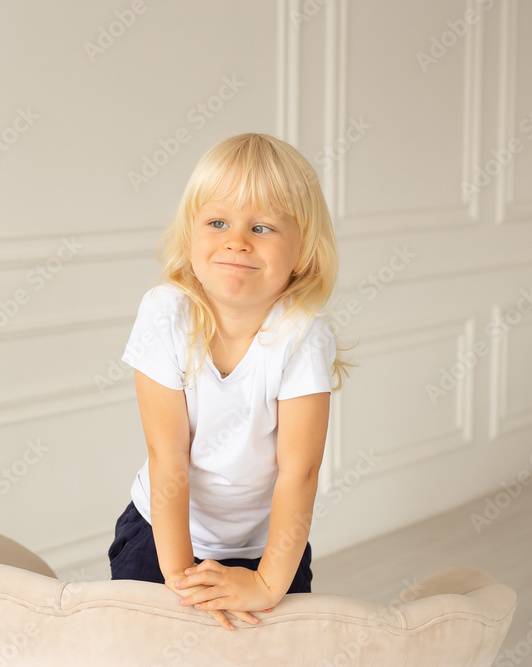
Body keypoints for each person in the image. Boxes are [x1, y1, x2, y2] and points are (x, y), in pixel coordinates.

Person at [108, 132, 354, 631]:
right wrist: (180, 577)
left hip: (266, 549)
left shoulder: (303, 333)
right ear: (191, 235)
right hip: (162, 533)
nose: (236, 240)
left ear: (302, 251)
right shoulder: (165, 313)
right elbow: (167, 454)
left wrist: (266, 583)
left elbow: (299, 472)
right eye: (217, 222)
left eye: (262, 227)